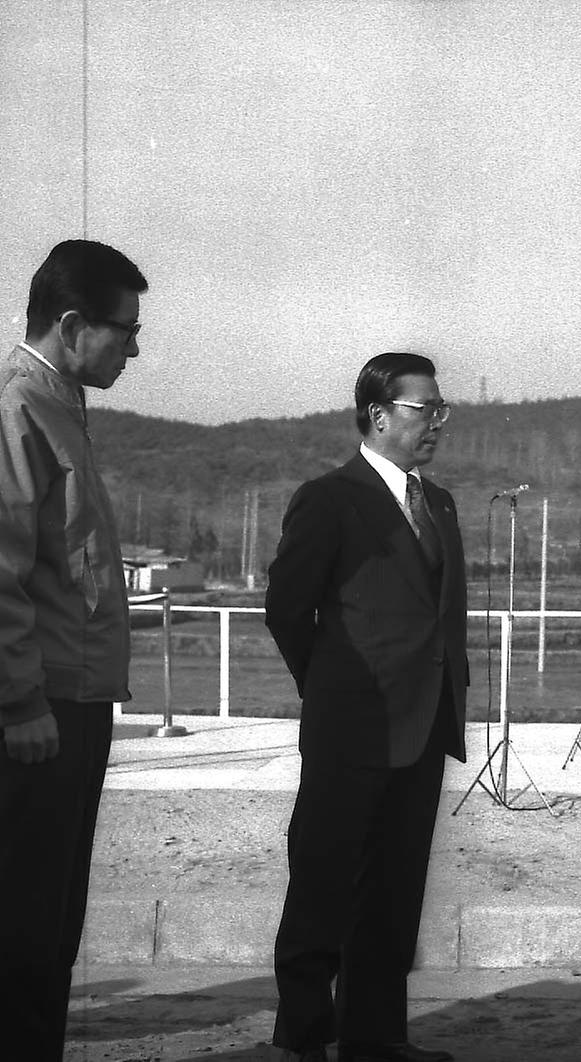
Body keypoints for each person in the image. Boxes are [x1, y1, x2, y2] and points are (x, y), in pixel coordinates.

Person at [265, 352, 468, 1062]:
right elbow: (288, 609)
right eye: (423, 409)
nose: (435, 422)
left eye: (440, 410)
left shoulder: (436, 502)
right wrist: (328, 689)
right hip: (350, 730)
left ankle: (376, 1036)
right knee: (324, 883)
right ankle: (302, 1037)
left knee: (394, 891)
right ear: (379, 415)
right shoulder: (329, 498)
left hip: (423, 726)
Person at [0, 239, 148, 1060]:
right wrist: (19, 702)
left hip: (75, 703)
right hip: (40, 710)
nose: (133, 347)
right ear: (70, 324)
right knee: (25, 922)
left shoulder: (61, 408)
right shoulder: (19, 411)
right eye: (124, 330)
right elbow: (1, 573)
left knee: (52, 920)